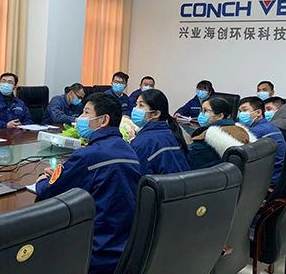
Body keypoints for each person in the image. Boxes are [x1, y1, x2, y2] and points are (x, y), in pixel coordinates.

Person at [35, 93, 141, 274]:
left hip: (96, 250)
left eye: (86, 112)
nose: (80, 118)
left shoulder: (88, 155)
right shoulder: (128, 149)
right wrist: (67, 174)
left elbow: (50, 190)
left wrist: (42, 181)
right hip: (126, 246)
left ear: (104, 120)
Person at [130, 89, 190, 175]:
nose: (136, 109)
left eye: (141, 105)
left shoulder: (141, 142)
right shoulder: (172, 133)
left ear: (156, 114)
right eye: (136, 104)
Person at [187, 97, 256, 170]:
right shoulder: (239, 130)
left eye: (205, 111)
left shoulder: (207, 139)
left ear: (220, 116)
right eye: (202, 110)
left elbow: (188, 162)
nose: (201, 114)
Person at [237, 97, 286, 184]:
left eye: (245, 110)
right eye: (240, 111)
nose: (241, 114)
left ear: (258, 112)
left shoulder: (256, 132)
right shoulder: (270, 126)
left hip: (270, 178)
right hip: (279, 174)